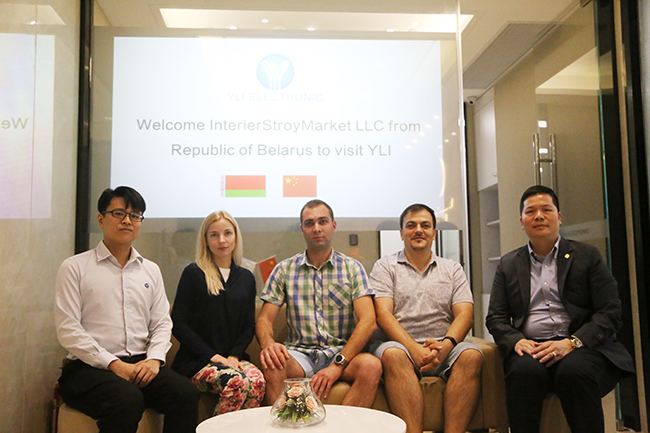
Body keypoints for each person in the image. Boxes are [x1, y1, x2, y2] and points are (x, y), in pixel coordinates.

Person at [486, 185, 635, 433]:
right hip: (532, 348)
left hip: (581, 346)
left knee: (574, 372)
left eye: (546, 210)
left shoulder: (587, 255)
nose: (539, 216)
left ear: (559, 216)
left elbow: (610, 311)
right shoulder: (508, 264)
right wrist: (516, 341)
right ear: (521, 221)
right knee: (522, 373)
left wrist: (573, 342)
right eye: (530, 211)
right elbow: (496, 317)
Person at [54, 186, 198, 433]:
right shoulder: (74, 267)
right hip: (88, 368)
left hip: (141, 363)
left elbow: (162, 323)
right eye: (119, 213)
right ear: (101, 219)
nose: (127, 221)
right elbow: (68, 329)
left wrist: (154, 360)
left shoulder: (150, 270)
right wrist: (113, 364)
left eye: (135, 215)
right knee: (127, 400)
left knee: (185, 393)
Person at [256, 199, 382, 406]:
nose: (316, 228)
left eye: (322, 221)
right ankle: (282, 423)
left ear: (333, 225)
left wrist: (337, 366)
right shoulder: (284, 270)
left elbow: (368, 321)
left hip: (340, 353)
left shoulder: (352, 268)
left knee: (371, 366)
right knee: (273, 363)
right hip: (299, 355)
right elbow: (264, 320)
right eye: (309, 223)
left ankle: (345, 424)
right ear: (302, 229)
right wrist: (268, 343)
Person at [370, 203, 483, 433]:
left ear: (434, 233)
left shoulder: (452, 269)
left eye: (425, 225)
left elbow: (465, 315)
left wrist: (446, 345)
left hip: (444, 346)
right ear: (401, 233)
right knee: (393, 354)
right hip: (400, 346)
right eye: (411, 225)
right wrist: (413, 348)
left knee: (471, 355)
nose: (418, 230)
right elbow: (383, 314)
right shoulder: (385, 266)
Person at [171, 211, 265, 415]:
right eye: (214, 235)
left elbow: (248, 325)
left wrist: (234, 355)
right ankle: (217, 429)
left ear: (236, 237)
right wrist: (213, 356)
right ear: (205, 240)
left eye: (227, 233)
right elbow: (178, 323)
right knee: (237, 381)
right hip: (197, 362)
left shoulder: (246, 278)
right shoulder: (193, 273)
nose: (222, 240)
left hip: (233, 359)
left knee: (257, 381)